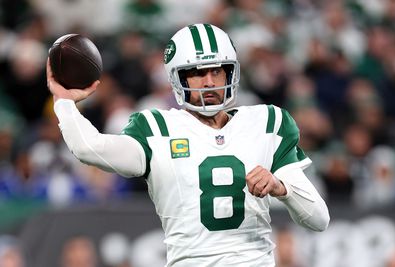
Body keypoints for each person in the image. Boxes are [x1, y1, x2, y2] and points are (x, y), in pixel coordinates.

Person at [47, 23, 330, 267]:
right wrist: (65, 102)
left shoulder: (268, 122)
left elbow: (318, 219)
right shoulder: (156, 129)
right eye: (196, 72)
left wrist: (281, 187)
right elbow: (89, 148)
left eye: (216, 71)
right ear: (177, 77)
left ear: (231, 73)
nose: (208, 82)